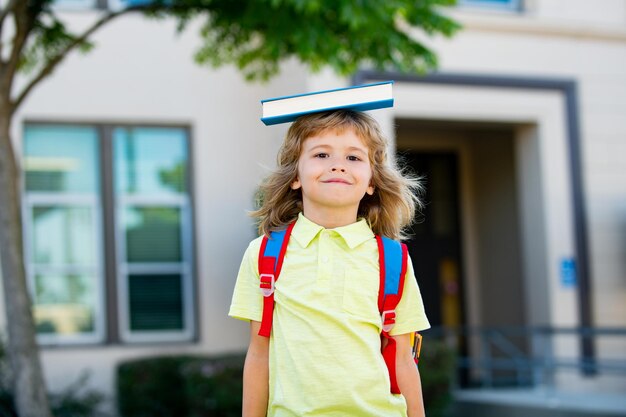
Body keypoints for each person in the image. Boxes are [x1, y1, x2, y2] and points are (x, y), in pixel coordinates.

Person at [229, 109, 430, 417]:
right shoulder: (264, 253)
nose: (338, 164)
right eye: (321, 154)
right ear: (295, 177)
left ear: (371, 182)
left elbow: (404, 360)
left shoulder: (394, 259)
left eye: (354, 158)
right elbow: (259, 355)